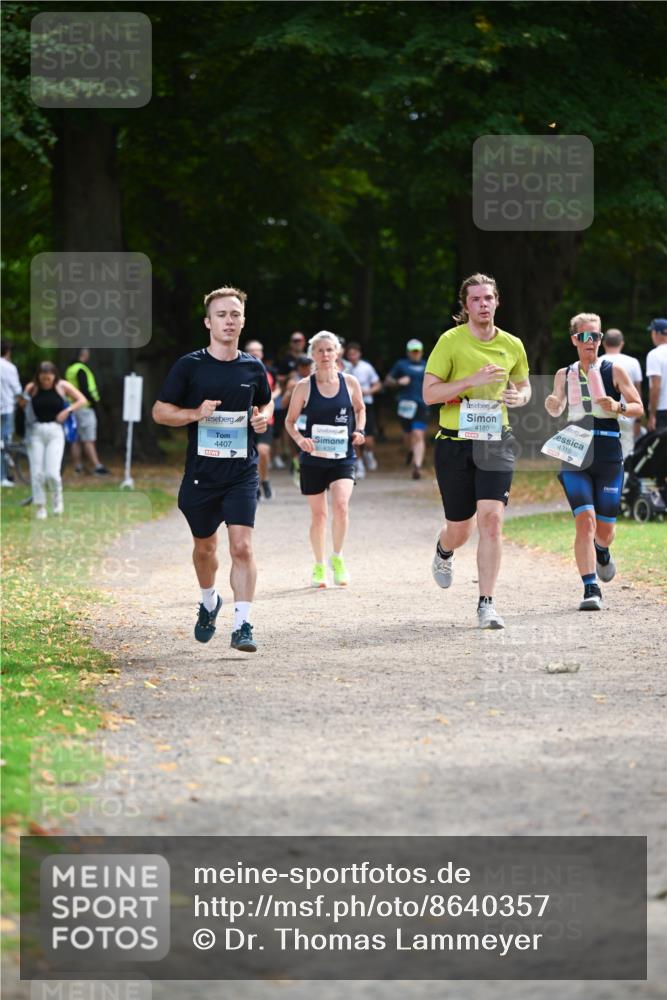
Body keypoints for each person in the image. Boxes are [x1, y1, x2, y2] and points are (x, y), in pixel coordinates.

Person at [152, 286, 273, 653]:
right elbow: (160, 412)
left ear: (243, 321)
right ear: (208, 322)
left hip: (241, 471)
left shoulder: (253, 367)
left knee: (242, 547)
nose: (229, 321)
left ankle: (243, 624)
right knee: (205, 548)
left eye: (235, 315)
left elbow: (266, 406)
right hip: (202, 475)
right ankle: (209, 603)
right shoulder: (190, 366)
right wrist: (194, 413)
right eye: (221, 315)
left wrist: (262, 420)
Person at [423, 273, 531, 629]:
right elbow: (429, 394)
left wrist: (519, 396)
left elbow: (524, 385)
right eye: (476, 299)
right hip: (455, 443)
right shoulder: (450, 342)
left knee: (492, 519)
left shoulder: (512, 344)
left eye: (488, 298)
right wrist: (471, 381)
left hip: (496, 439)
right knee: (460, 527)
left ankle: (486, 603)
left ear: (497, 301)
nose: (483, 305)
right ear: (465, 305)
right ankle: (444, 549)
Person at [545, 312, 643, 611]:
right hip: (575, 451)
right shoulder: (565, 373)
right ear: (575, 339)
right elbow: (557, 404)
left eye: (597, 336)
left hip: (608, 454)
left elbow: (638, 406)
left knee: (604, 531)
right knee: (584, 521)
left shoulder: (614, 370)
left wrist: (618, 406)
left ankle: (602, 551)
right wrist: (552, 404)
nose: (592, 342)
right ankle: (590, 588)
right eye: (586, 336)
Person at [285, 331, 365, 588]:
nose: (325, 355)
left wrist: (360, 430)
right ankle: (319, 565)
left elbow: (360, 408)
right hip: (313, 459)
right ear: (312, 355)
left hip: (343, 457)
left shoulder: (350, 382)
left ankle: (337, 557)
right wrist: (300, 440)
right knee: (319, 515)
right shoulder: (304, 386)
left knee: (341, 506)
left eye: (330, 350)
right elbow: (289, 421)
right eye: (320, 350)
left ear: (337, 352)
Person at [20, 362, 87, 518]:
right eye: (43, 379)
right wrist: (24, 396)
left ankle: (57, 499)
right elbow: (22, 405)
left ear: (54, 376)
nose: (46, 382)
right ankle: (40, 506)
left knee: (52, 473)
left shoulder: (62, 386)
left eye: (49, 379)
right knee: (37, 472)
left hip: (55, 431)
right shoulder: (32, 387)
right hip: (36, 431)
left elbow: (81, 400)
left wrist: (67, 410)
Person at [385, 339, 429, 479]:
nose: (415, 353)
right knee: (408, 436)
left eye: (417, 351)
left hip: (422, 405)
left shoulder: (427, 364)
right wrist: (398, 381)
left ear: (421, 351)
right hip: (405, 405)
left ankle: (417, 466)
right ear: (408, 352)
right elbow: (387, 381)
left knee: (418, 434)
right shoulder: (401, 364)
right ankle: (410, 452)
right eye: (413, 351)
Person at [64, 348, 111, 475]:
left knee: (76, 439)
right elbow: (84, 389)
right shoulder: (81, 369)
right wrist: (94, 402)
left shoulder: (70, 369)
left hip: (73, 407)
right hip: (84, 408)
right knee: (88, 438)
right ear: (84, 355)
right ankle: (97, 466)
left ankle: (78, 467)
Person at [244, 339, 279, 500]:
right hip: (244, 420)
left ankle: (265, 480)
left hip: (265, 418)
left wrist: (271, 398)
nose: (255, 353)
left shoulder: (269, 370)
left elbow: (277, 387)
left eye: (258, 351)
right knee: (250, 456)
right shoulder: (240, 370)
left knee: (263, 452)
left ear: (262, 353)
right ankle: (255, 484)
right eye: (252, 351)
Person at [602, 328, 643, 458]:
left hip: (603, 415)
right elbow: (637, 394)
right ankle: (624, 477)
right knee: (626, 451)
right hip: (627, 414)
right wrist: (638, 420)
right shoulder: (633, 362)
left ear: (603, 343)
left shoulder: (596, 362)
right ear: (622, 343)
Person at [344, 342, 381, 478]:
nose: (352, 356)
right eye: (350, 354)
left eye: (354, 353)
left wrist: (368, 391)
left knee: (369, 439)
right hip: (350, 407)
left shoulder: (367, 367)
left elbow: (378, 384)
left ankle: (369, 454)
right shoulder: (344, 369)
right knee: (354, 436)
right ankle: (359, 465)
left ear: (359, 354)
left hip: (366, 405)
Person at [273, 331, 307, 468]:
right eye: (294, 340)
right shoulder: (285, 359)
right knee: (286, 426)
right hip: (288, 396)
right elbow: (278, 377)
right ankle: (289, 456)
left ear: (304, 342)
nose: (297, 343)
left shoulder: (310, 356)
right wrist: (290, 377)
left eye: (299, 340)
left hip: (307, 400)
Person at [1, 341, 22, 487]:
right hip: (7, 408)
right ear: (7, 351)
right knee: (5, 444)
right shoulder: (9, 368)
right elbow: (17, 390)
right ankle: (3, 476)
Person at [646, 318, 667, 432]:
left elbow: (656, 386)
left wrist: (652, 415)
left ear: (657, 333)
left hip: (662, 410)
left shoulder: (654, 355)